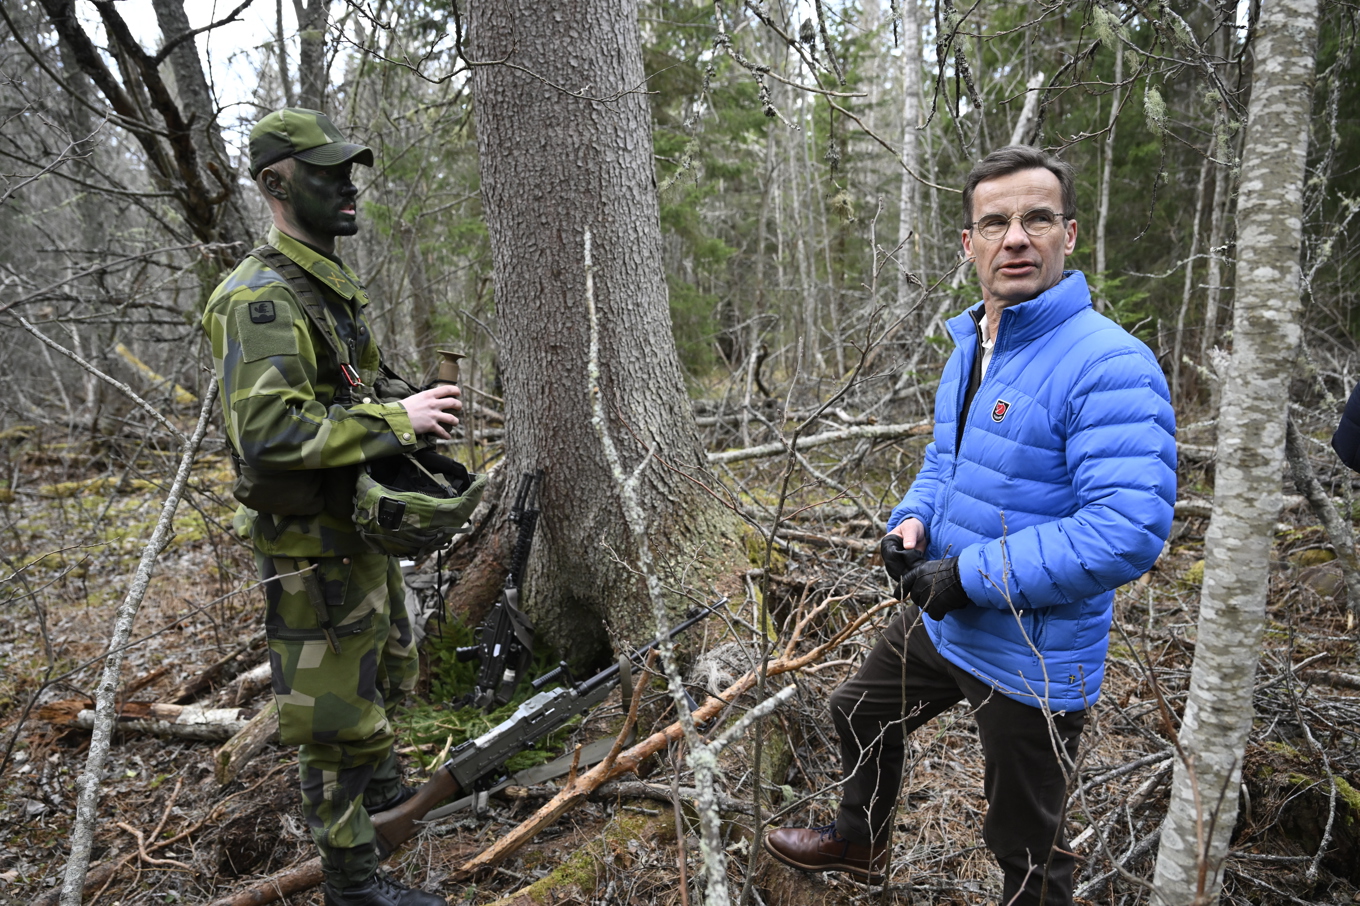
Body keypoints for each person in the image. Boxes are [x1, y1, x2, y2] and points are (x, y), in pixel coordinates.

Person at [763, 146, 1178, 905]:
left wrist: (967, 575)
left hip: (1032, 651)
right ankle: (860, 841)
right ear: (969, 243)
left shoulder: (1108, 364)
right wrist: (912, 521)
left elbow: (1125, 530)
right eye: (995, 223)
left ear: (1069, 235)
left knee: (1025, 845)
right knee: (859, 711)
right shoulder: (973, 346)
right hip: (949, 619)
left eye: (1037, 219)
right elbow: (946, 463)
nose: (1015, 238)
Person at [202, 108, 462, 906]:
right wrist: (398, 420)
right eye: (326, 174)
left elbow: (337, 393)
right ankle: (354, 885)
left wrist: (405, 406)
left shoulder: (320, 284)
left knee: (384, 674)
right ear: (276, 184)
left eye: (349, 172)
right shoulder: (258, 299)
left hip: (352, 534)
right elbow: (269, 433)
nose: (347, 187)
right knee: (331, 720)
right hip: (309, 548)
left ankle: (385, 801)